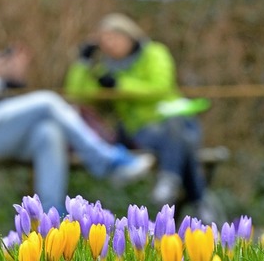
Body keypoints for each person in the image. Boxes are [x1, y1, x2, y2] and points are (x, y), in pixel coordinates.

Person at [0, 0, 154, 213]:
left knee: (48, 133)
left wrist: (13, 80)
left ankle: (49, 218)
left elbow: (2, 100)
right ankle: (106, 159)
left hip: (1, 133)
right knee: (47, 101)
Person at [65, 13, 216, 222]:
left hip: (171, 121)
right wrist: (82, 64)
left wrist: (120, 86)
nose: (109, 44)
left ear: (129, 35)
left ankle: (171, 181)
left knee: (177, 132)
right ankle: (197, 200)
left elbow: (160, 87)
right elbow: (79, 96)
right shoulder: (105, 70)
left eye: (113, 37)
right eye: (103, 40)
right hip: (138, 132)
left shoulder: (154, 53)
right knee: (183, 142)